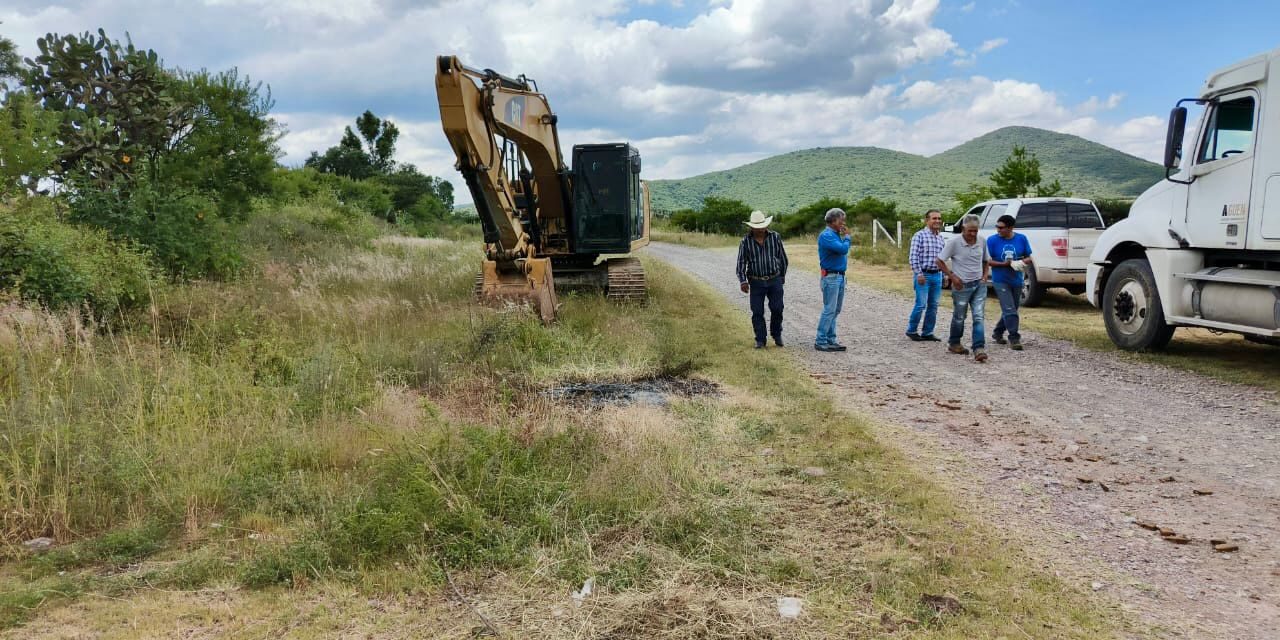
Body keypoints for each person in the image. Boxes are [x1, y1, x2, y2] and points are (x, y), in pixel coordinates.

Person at [937, 214, 990, 362]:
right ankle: (954, 343)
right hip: (961, 286)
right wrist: (952, 276)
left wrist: (985, 276)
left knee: (978, 316)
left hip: (979, 284)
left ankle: (979, 348)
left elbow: (986, 260)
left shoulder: (982, 241)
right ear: (963, 228)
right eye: (970, 231)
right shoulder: (954, 243)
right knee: (960, 316)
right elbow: (940, 261)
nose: (973, 234)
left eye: (975, 231)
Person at [736, 210, 789, 348]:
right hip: (756, 281)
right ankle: (760, 339)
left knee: (777, 308)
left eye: (762, 226)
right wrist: (743, 281)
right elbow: (741, 262)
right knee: (757, 311)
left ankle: (776, 334)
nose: (760, 229)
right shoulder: (745, 241)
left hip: (774, 279)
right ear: (751, 227)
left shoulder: (775, 237)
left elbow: (782, 258)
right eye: (757, 227)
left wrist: (782, 275)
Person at [987, 214, 1034, 350]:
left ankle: (997, 332)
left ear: (1010, 227)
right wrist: (1004, 264)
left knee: (1011, 309)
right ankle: (1014, 338)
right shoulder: (992, 240)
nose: (998, 230)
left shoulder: (1021, 239)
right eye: (997, 227)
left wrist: (1019, 262)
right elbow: (987, 261)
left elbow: (1029, 258)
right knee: (1009, 309)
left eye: (1001, 227)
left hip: (1017, 280)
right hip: (1000, 280)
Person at [905, 209, 946, 341]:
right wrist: (919, 274)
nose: (937, 221)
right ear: (927, 220)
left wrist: (944, 275)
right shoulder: (919, 235)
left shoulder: (940, 238)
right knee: (921, 304)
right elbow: (913, 257)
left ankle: (928, 332)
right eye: (934, 218)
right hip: (924, 275)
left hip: (937, 275)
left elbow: (942, 259)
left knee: (933, 305)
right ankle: (911, 330)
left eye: (939, 218)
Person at [815, 207, 851, 352]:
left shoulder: (834, 234)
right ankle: (821, 340)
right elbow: (843, 249)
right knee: (829, 309)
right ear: (834, 220)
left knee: (835, 310)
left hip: (839, 276)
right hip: (831, 277)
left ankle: (830, 339)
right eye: (841, 220)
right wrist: (847, 237)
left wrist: (843, 238)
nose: (843, 223)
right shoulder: (827, 235)